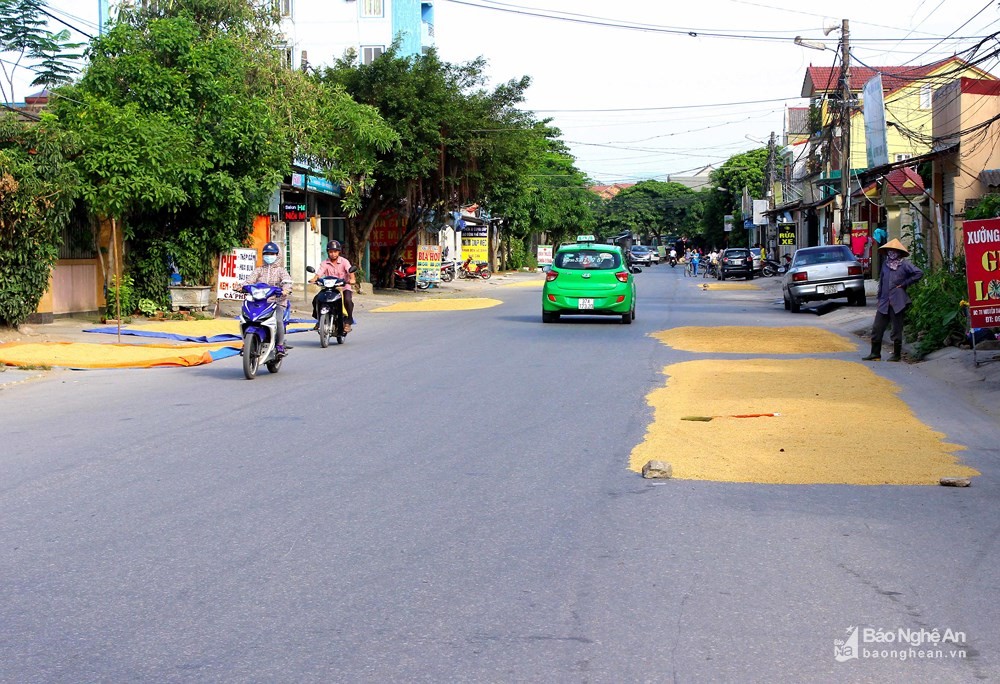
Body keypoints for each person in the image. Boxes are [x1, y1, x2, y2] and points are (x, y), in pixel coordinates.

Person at [863, 238, 923, 362]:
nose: (892, 253)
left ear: (899, 252)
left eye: (894, 251)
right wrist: (879, 298)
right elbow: (882, 281)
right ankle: (875, 353)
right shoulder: (885, 264)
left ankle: (896, 355)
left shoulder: (904, 264)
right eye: (890, 251)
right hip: (884, 301)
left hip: (898, 301)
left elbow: (918, 273)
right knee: (877, 328)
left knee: (896, 329)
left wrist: (905, 283)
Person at [238, 242, 293, 354]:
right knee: (247, 318)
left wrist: (285, 289)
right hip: (259, 302)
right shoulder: (259, 270)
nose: (269, 256)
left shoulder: (281, 270)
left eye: (272, 254)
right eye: (266, 253)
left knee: (278, 321)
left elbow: (287, 281)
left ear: (278, 255)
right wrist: (240, 287)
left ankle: (280, 346)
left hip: (276, 303)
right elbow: (249, 281)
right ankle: (246, 343)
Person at [310, 240, 356, 332]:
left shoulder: (344, 262)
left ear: (339, 252)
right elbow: (319, 273)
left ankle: (348, 321)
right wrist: (314, 279)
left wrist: (352, 279)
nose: (333, 254)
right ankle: (319, 319)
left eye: (335, 251)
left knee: (347, 300)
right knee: (316, 299)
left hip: (343, 288)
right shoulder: (324, 263)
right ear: (328, 252)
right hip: (329, 288)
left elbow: (350, 272)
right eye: (330, 252)